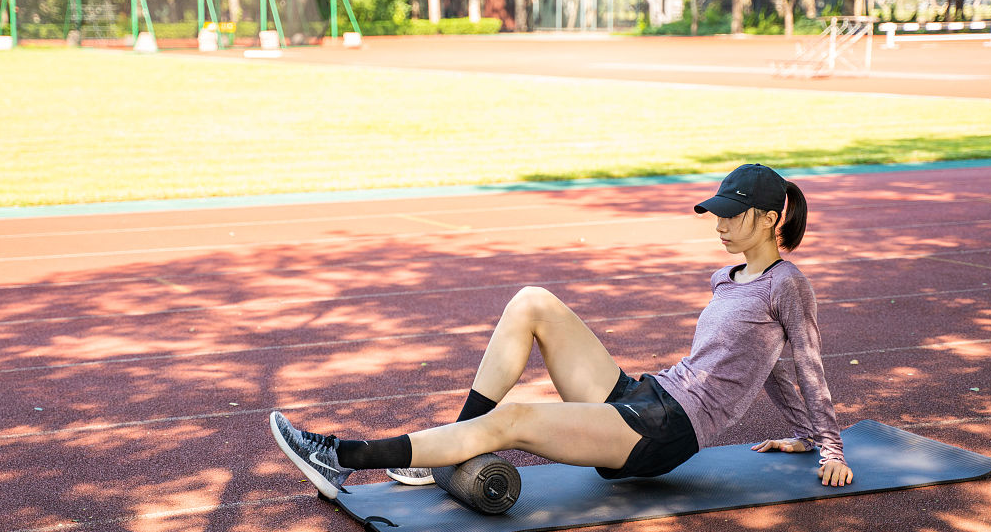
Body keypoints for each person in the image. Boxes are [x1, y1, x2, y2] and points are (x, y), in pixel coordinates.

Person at [270, 163, 853, 500]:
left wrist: (826, 444)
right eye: (719, 213)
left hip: (665, 432)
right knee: (533, 302)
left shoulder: (787, 284)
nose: (721, 225)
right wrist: (798, 434)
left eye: (735, 214)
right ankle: (447, 443)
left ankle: (339, 456)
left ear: (774, 218)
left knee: (516, 418)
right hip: (645, 396)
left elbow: (803, 363)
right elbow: (767, 362)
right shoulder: (730, 277)